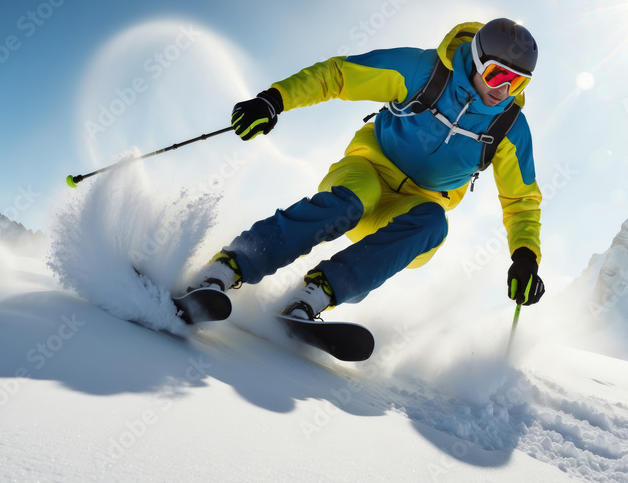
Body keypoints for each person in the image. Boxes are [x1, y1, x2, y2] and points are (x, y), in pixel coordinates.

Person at [186, 18, 546, 321]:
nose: (504, 90)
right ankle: (229, 265)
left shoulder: (510, 127)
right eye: (498, 75)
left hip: (406, 211)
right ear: (476, 59)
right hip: (368, 169)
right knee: (352, 201)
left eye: (517, 81)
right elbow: (339, 75)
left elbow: (521, 201)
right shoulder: (423, 72)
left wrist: (526, 257)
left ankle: (316, 294)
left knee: (434, 222)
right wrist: (274, 99)